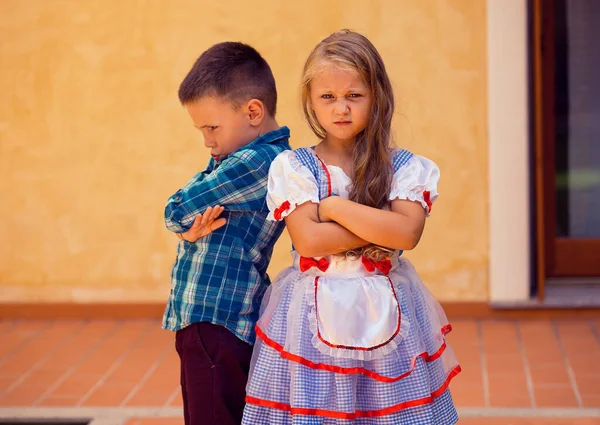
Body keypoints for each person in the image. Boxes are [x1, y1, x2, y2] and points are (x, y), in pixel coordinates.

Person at [242, 29, 460, 424]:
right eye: (328, 97)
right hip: (309, 315)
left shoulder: (405, 167)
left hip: (390, 308)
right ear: (310, 100)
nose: (341, 108)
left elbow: (408, 234)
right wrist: (384, 227)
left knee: (387, 409)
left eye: (354, 96)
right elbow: (309, 241)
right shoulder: (294, 167)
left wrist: (336, 207)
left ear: (377, 96)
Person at [162, 41, 291, 425]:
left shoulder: (258, 161)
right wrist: (186, 226)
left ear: (253, 111)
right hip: (209, 321)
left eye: (212, 127)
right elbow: (187, 214)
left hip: (216, 318)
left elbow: (177, 209)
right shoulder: (235, 157)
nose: (207, 140)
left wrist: (182, 223)